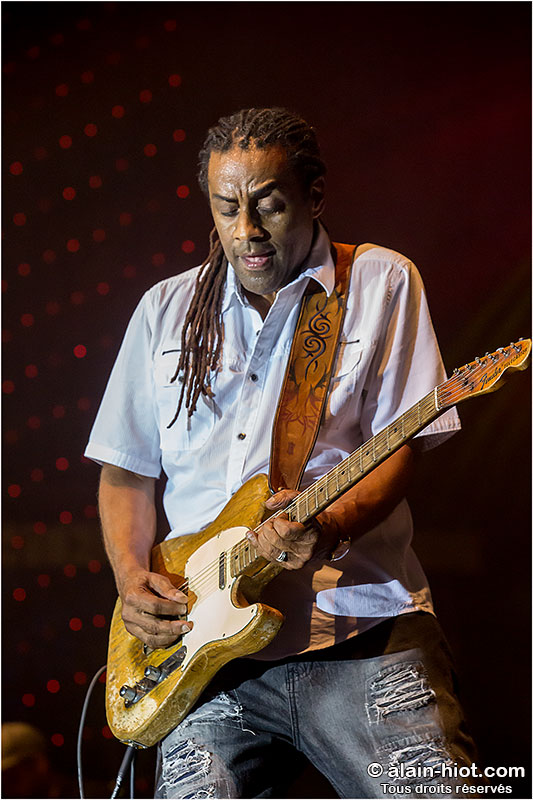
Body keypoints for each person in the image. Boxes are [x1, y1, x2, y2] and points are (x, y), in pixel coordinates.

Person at [86, 107, 478, 798]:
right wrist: (129, 579)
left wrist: (326, 527)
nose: (246, 230)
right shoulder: (164, 309)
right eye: (226, 207)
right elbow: (127, 471)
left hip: (356, 626)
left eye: (268, 205)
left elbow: (402, 444)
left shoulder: (380, 281)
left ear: (314, 195)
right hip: (199, 656)